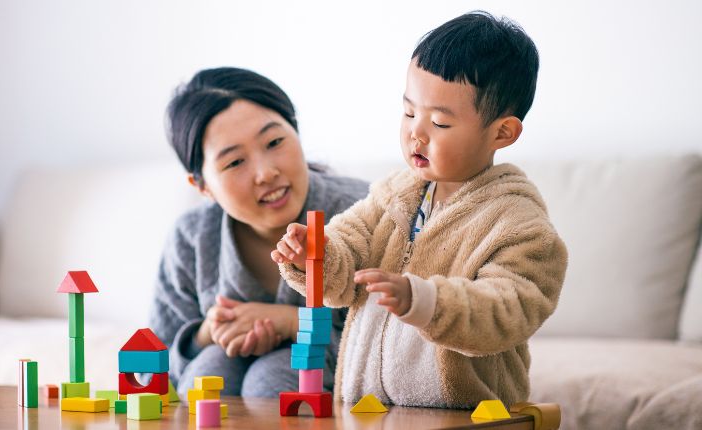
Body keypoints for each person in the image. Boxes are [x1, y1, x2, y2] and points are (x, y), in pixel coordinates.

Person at [273, 11, 568, 408]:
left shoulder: (519, 224)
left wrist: (424, 301)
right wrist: (315, 255)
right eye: (410, 112)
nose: (416, 132)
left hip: (468, 414)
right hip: (368, 408)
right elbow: (345, 264)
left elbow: (507, 311)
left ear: (502, 132)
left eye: (441, 123)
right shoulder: (393, 196)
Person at [150, 67, 369, 397]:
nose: (266, 173)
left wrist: (292, 322)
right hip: (221, 368)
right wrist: (209, 332)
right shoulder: (191, 238)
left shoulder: (364, 212)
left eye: (275, 142)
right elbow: (157, 361)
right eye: (235, 162)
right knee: (209, 373)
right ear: (202, 185)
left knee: (270, 381)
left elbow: (400, 345)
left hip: (341, 374)